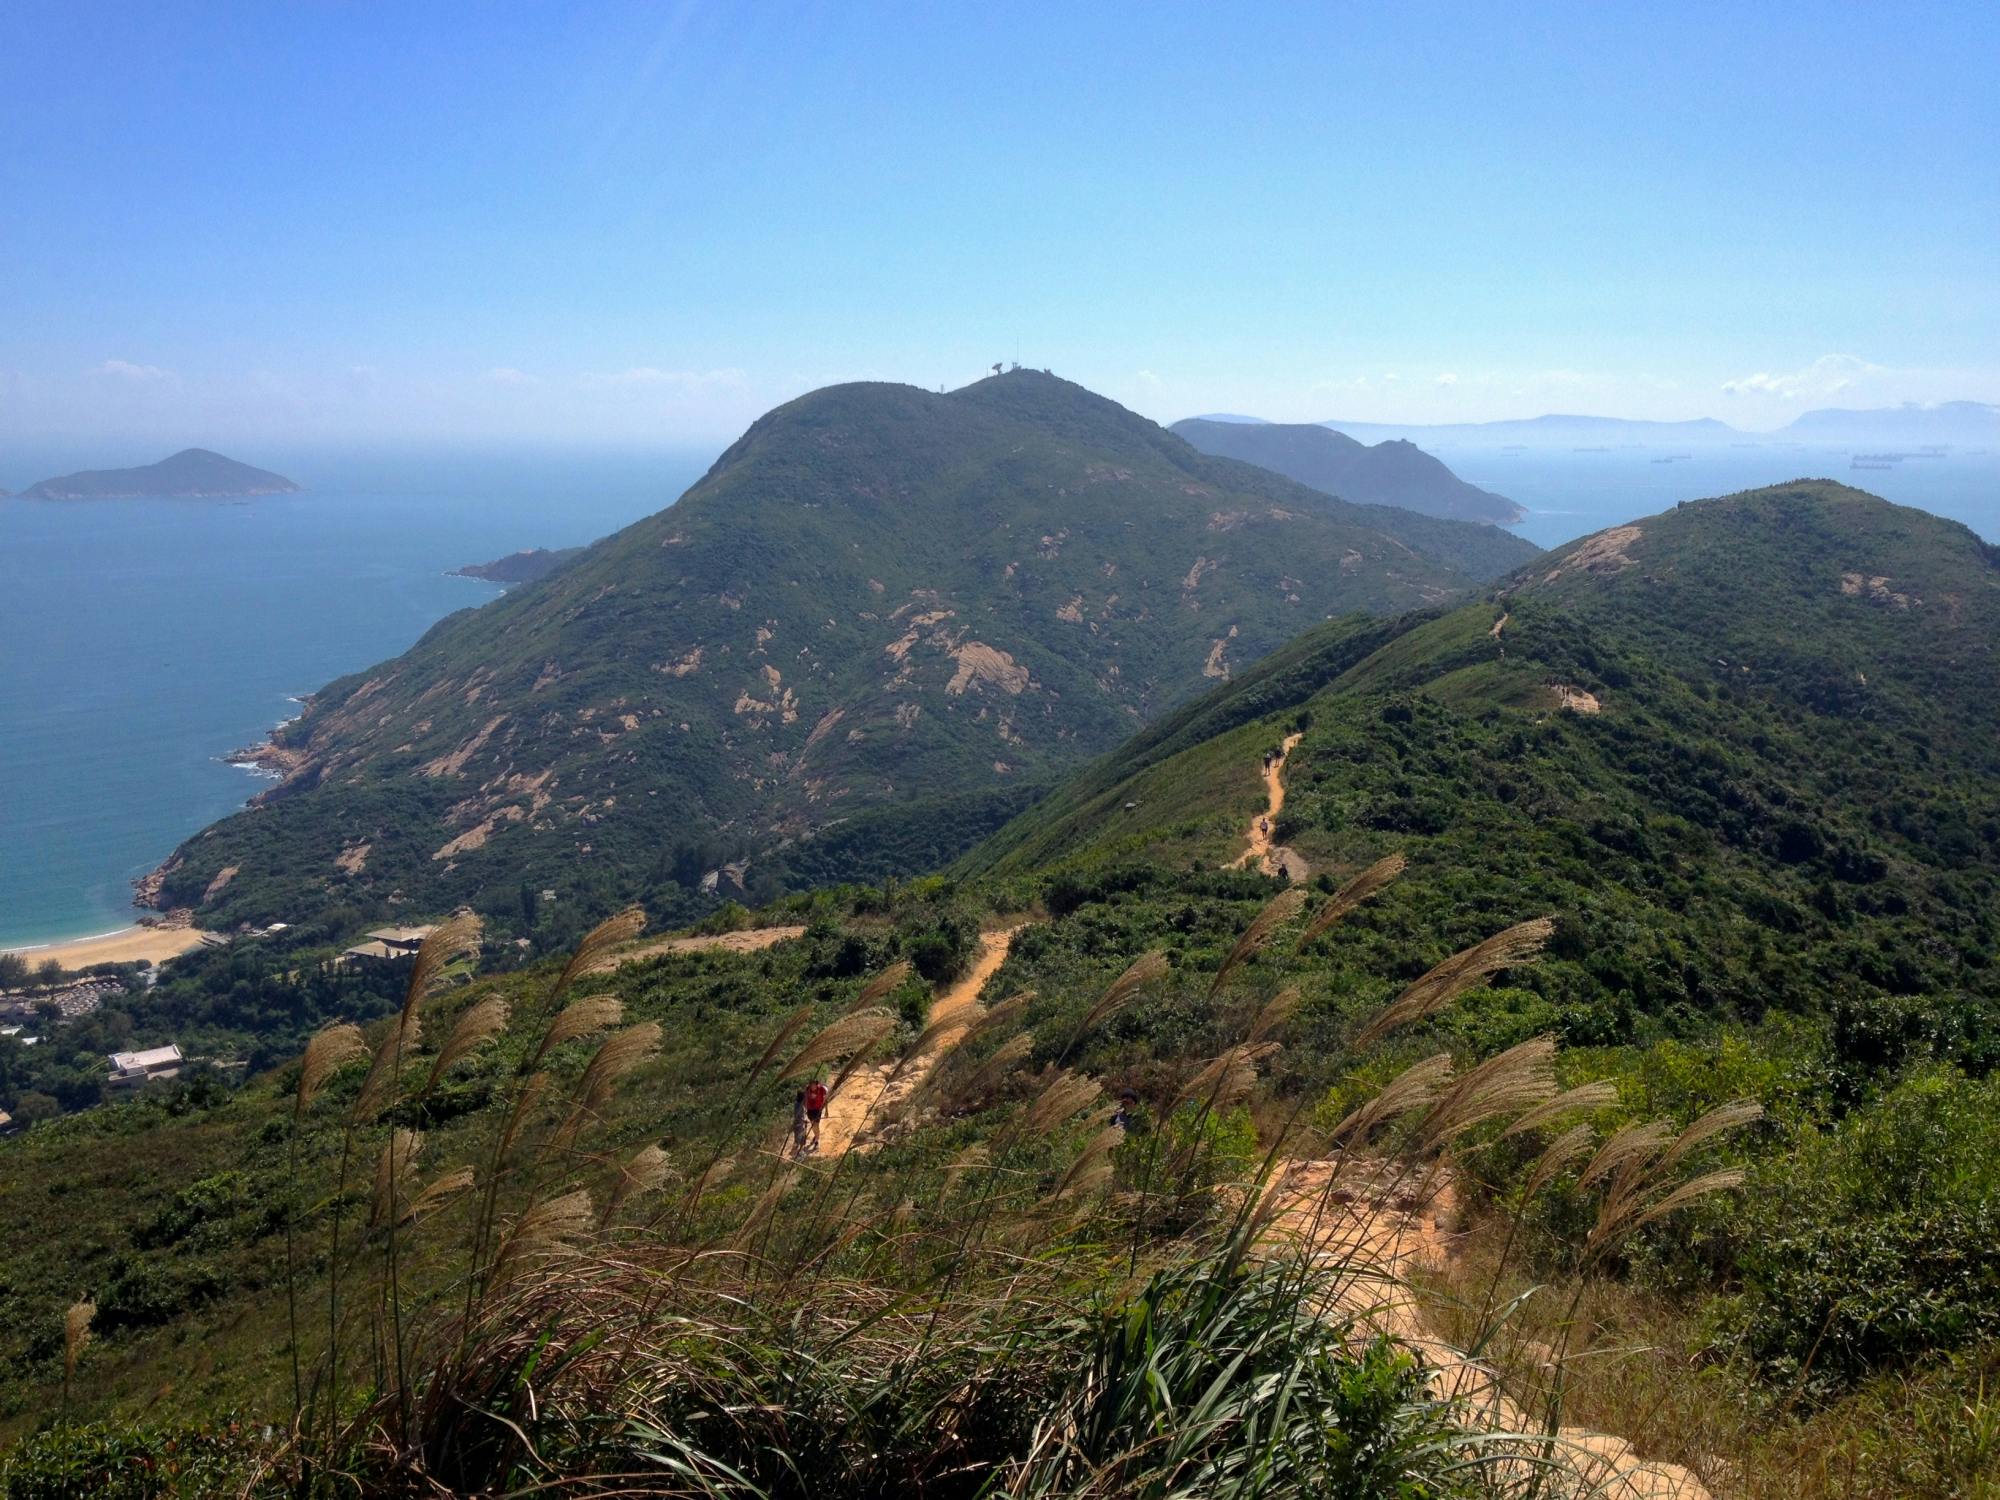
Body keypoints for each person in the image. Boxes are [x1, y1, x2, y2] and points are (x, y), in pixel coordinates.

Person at [804, 1077, 828, 1151]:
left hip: (817, 1110)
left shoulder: (821, 1090)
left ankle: (817, 1142)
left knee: (816, 1125)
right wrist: (805, 1109)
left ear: (817, 1084)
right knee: (813, 1125)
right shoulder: (807, 1090)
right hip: (810, 1110)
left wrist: (827, 1110)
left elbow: (825, 1100)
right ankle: (816, 1137)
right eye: (811, 1085)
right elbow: (805, 1100)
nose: (812, 1086)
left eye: (814, 1085)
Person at [791, 1088, 809, 1157]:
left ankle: (799, 1152)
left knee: (801, 1139)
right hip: (799, 1125)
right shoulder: (799, 1106)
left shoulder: (798, 1104)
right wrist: (804, 1120)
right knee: (798, 1140)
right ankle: (795, 1154)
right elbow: (798, 1116)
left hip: (800, 1124)